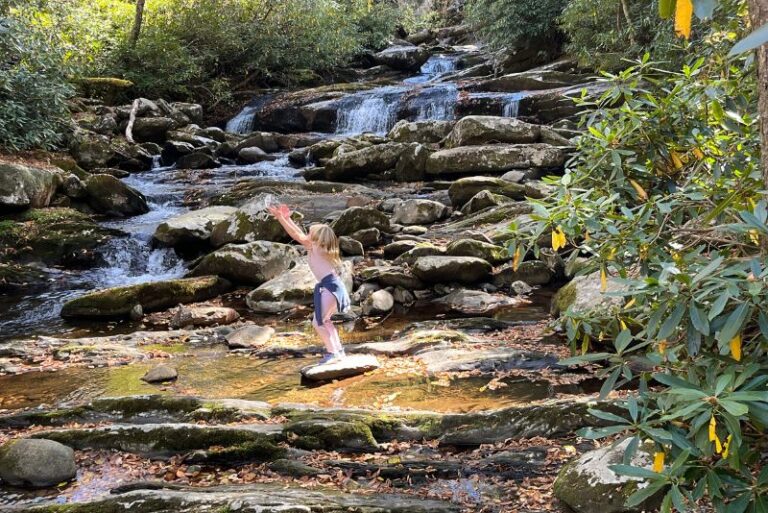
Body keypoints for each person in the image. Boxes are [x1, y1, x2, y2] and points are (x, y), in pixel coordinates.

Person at [268, 203, 350, 364]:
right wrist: (286, 218)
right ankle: (338, 351)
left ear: (316, 239)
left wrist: (281, 218)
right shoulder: (317, 247)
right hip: (333, 287)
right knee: (325, 320)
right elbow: (298, 233)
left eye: (310, 233)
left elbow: (296, 234)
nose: (307, 234)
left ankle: (333, 353)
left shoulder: (316, 248)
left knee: (318, 322)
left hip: (330, 288)